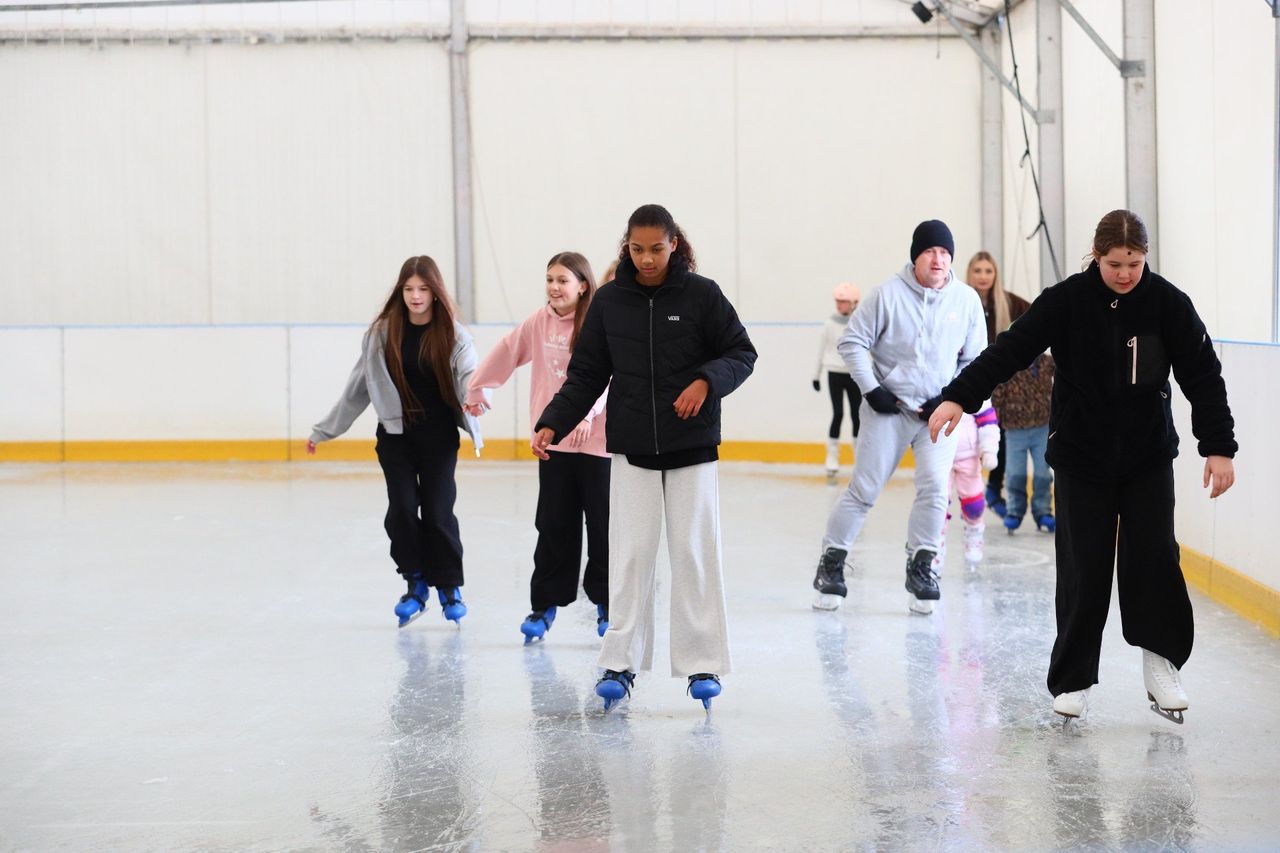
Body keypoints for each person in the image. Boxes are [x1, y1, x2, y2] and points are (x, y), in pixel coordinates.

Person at [928, 209, 1237, 722]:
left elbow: (1203, 376)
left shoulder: (1168, 304)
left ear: (1145, 258)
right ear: (1096, 256)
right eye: (1115, 263)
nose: (1125, 273)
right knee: (1083, 565)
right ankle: (1073, 679)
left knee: (1153, 560)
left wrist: (1218, 446)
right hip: (1080, 454)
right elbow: (1010, 351)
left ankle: (1160, 666)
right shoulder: (1067, 300)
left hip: (1146, 456)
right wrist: (959, 397)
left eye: (1134, 263)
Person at [533, 204, 757, 711]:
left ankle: (702, 662)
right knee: (629, 559)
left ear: (674, 243)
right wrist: (553, 421)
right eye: (638, 249)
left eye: (657, 248)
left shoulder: (702, 295)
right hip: (632, 450)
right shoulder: (611, 301)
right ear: (626, 247)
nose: (648, 258)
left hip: (692, 449)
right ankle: (620, 661)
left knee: (694, 555)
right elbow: (587, 374)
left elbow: (742, 353)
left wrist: (706, 381)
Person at [810, 219, 987, 615]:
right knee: (864, 490)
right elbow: (851, 342)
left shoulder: (965, 301)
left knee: (935, 490)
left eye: (944, 252)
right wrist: (873, 390)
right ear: (915, 256)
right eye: (929, 251)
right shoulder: (885, 295)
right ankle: (831, 564)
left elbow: (975, 358)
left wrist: (951, 395)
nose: (938, 259)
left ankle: (922, 566)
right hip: (888, 410)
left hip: (937, 416)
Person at [308, 255, 483, 628]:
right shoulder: (381, 334)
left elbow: (470, 375)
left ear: (436, 293)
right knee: (402, 509)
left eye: (423, 289)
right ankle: (415, 583)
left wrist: (476, 398)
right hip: (396, 437)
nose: (415, 296)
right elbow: (358, 388)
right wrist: (325, 430)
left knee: (438, 511)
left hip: (438, 437)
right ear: (400, 292)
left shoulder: (453, 334)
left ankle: (449, 587)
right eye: (408, 289)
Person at [464, 252, 611, 644]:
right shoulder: (538, 322)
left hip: (598, 445)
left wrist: (585, 416)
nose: (554, 287)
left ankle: (607, 604)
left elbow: (606, 375)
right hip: (554, 444)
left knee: (604, 529)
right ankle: (544, 605)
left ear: (582, 285)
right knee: (553, 527)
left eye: (562, 280)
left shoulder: (598, 322)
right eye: (549, 279)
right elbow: (506, 352)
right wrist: (478, 388)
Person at [965, 251, 1031, 518]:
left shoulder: (1007, 301)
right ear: (970, 273)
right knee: (972, 436)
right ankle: (975, 487)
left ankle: (993, 485)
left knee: (1000, 433)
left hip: (1000, 379)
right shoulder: (961, 298)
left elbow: (1037, 316)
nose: (983, 276)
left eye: (988, 271)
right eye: (978, 271)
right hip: (970, 377)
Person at [992, 352, 1055, 533]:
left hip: (1042, 427)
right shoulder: (1008, 363)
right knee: (1015, 473)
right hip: (1014, 429)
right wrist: (995, 420)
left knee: (1043, 473)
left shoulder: (1047, 362)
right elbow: (997, 393)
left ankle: (1043, 511)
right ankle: (1015, 511)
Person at [935, 400, 1000, 569]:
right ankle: (934, 545)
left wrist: (989, 450)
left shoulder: (972, 381)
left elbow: (987, 419)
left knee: (974, 505)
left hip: (968, 456)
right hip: (939, 454)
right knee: (936, 504)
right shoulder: (936, 378)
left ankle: (974, 533)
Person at [813, 282, 863, 482]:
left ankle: (860, 458)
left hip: (854, 374)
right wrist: (816, 376)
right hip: (834, 372)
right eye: (838, 301)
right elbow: (822, 350)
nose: (839, 305)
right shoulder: (829, 324)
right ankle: (832, 458)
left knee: (857, 415)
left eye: (843, 302)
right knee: (838, 413)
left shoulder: (858, 322)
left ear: (853, 303)